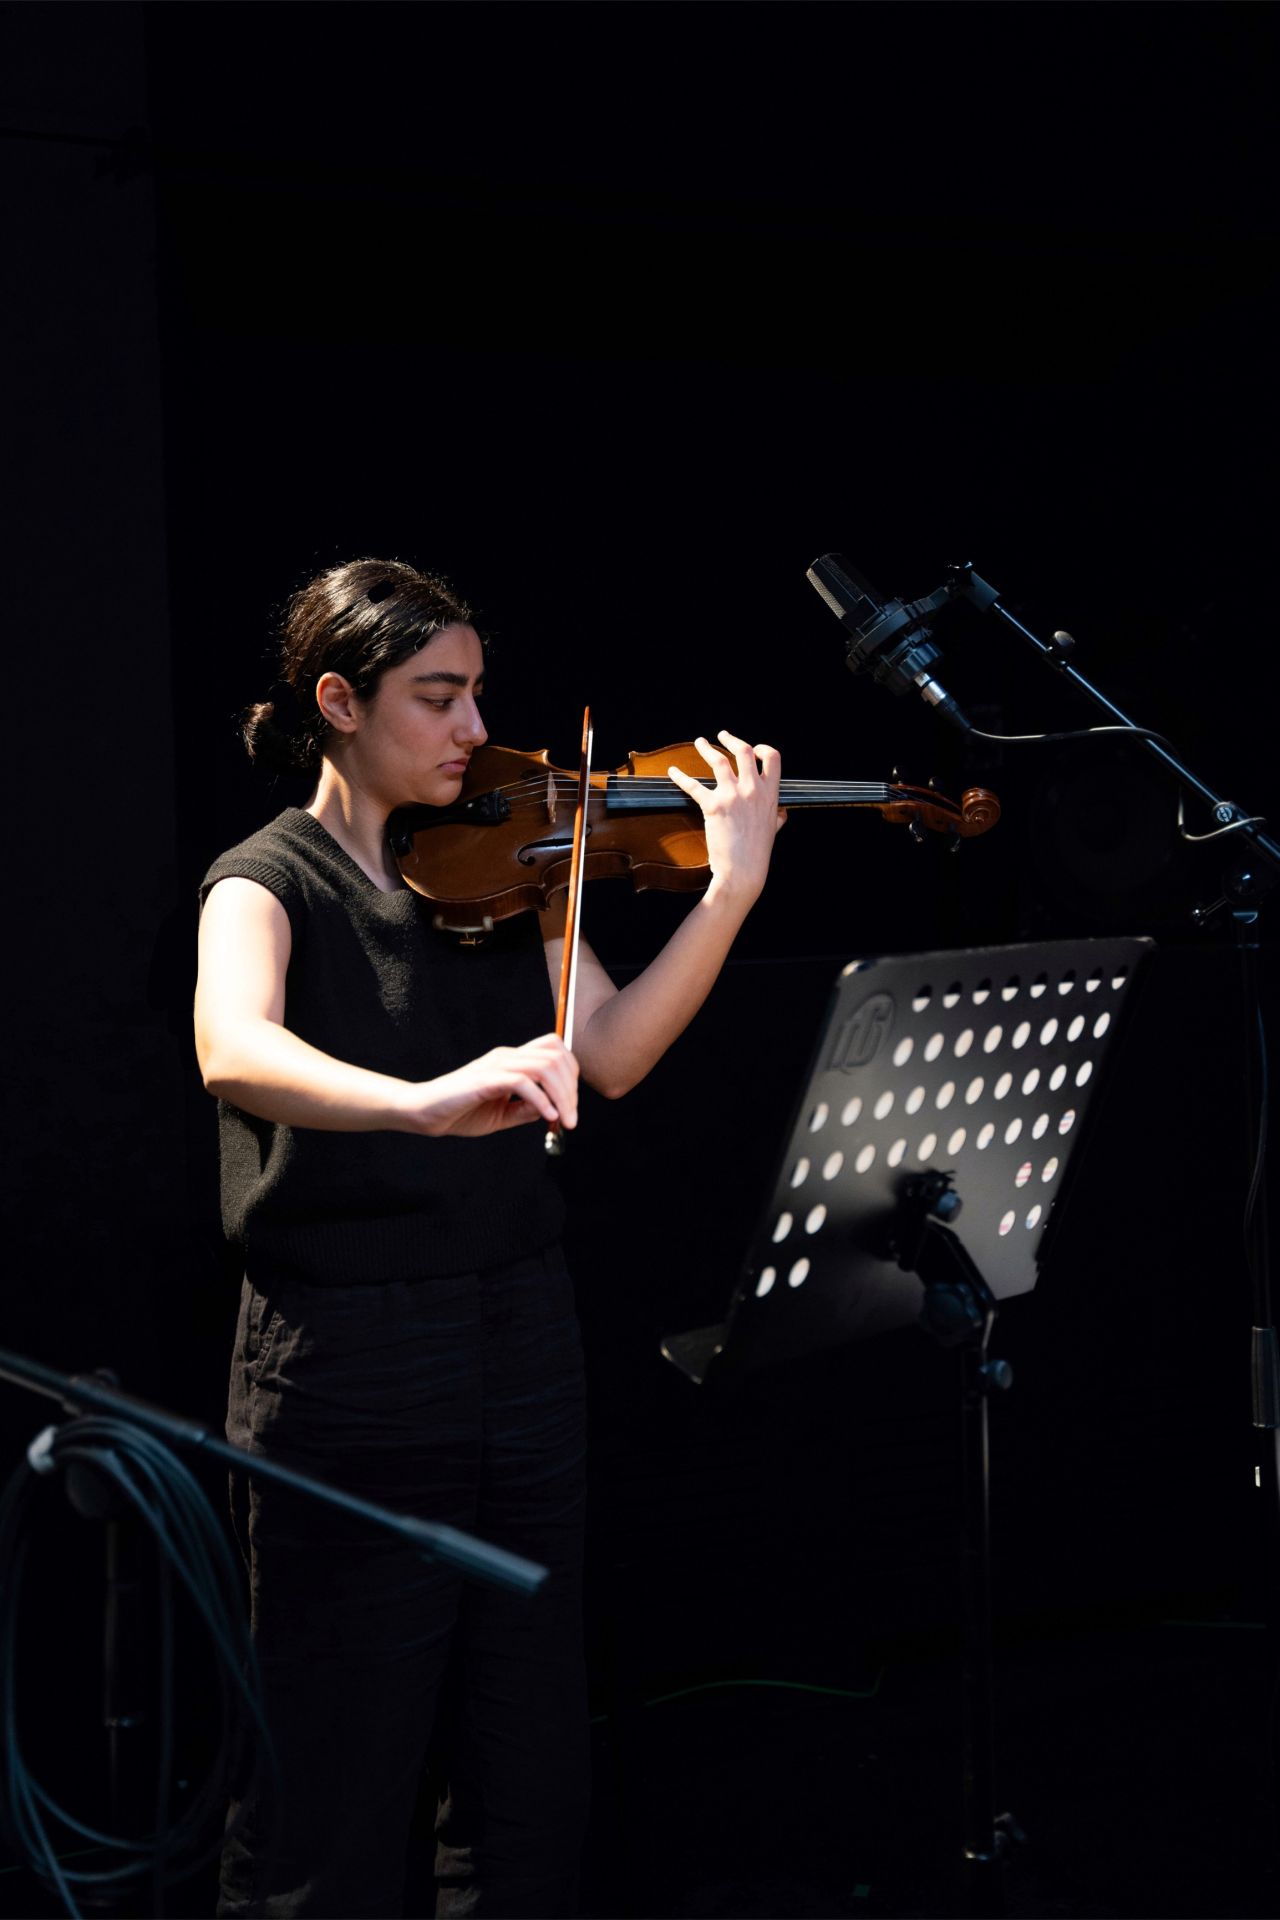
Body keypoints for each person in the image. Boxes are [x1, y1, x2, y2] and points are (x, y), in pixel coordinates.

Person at [193, 556, 784, 1918]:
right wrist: (419, 1104)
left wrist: (730, 891)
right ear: (339, 703)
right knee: (332, 1765)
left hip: (520, 1332)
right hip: (347, 1357)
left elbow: (612, 1053)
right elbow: (234, 1048)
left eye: (476, 695)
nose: (474, 728)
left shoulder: (505, 865)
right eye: (437, 696)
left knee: (526, 1757)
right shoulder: (264, 881)